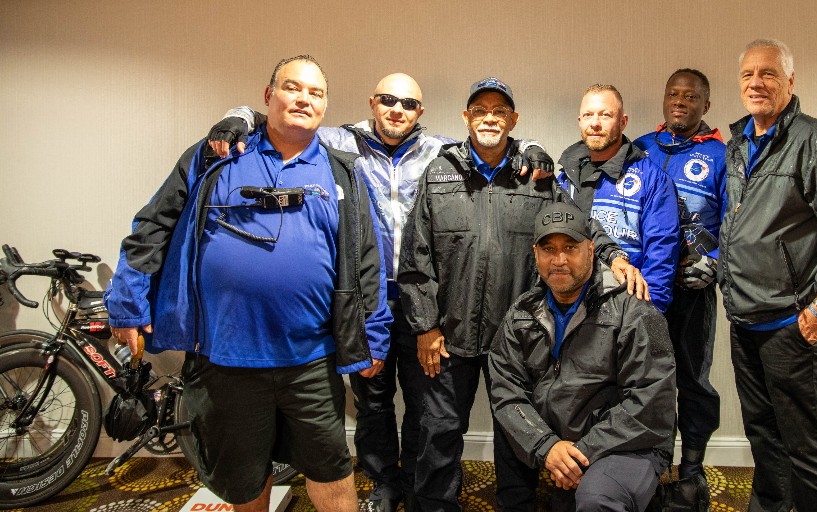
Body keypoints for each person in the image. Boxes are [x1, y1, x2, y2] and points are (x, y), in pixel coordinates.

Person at [205, 73, 555, 512]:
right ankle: (384, 483)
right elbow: (282, 118)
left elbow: (493, 140)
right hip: (364, 296)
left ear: (420, 112)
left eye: (408, 104)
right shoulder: (340, 141)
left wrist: (533, 147)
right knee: (372, 401)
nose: (397, 110)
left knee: (426, 406)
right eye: (388, 100)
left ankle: (415, 482)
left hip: (423, 299)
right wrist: (237, 117)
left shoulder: (439, 151)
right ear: (373, 102)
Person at [103, 55, 392, 512]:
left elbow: (367, 260)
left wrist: (373, 335)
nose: (304, 98)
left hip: (311, 360)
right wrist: (127, 304)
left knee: (332, 472)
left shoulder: (343, 173)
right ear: (267, 96)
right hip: (227, 358)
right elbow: (152, 226)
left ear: (325, 106)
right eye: (292, 88)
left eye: (316, 93)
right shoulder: (215, 155)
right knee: (244, 480)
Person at [398, 77, 645, 512]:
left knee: (517, 432)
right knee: (437, 432)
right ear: (466, 117)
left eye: (499, 111)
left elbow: (579, 224)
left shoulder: (537, 175)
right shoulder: (438, 173)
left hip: (516, 336)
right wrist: (425, 325)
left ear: (513, 119)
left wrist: (615, 257)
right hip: (447, 337)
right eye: (480, 110)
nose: (489, 117)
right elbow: (416, 256)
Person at [718, 39, 817, 512]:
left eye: (768, 74)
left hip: (795, 326)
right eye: (748, 74)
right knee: (764, 439)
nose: (756, 83)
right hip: (746, 320)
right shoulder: (738, 145)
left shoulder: (816, 141)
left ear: (791, 81)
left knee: (807, 447)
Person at [489, 202, 677, 512]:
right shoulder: (520, 314)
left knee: (596, 501)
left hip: (630, 444)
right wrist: (546, 447)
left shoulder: (635, 310)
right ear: (535, 254)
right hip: (564, 443)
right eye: (549, 249)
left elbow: (651, 403)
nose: (559, 260)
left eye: (570, 248)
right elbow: (506, 391)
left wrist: (577, 453)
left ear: (591, 250)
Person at [633, 68, 727, 509]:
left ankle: (691, 475)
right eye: (673, 93)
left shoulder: (722, 157)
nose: (679, 101)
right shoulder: (641, 149)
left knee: (692, 380)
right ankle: (644, 467)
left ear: (705, 105)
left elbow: (737, 224)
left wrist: (715, 263)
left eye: (690, 96)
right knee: (642, 380)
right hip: (644, 290)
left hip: (693, 291)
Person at [555, 84, 681, 313]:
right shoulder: (565, 178)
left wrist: (649, 317)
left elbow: (661, 258)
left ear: (623, 122)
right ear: (579, 121)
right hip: (573, 308)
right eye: (588, 115)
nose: (595, 123)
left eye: (605, 115)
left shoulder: (652, 179)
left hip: (627, 310)